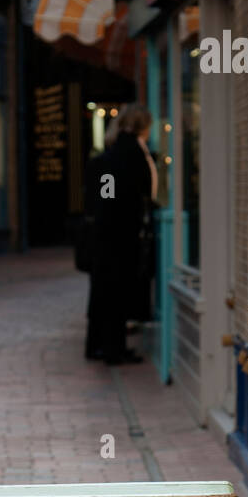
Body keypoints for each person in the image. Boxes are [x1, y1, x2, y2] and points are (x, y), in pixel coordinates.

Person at [85, 103, 156, 364]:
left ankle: (98, 345)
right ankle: (113, 349)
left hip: (104, 233)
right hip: (121, 233)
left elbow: (104, 196)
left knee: (102, 291)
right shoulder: (134, 153)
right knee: (117, 292)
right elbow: (142, 192)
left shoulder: (111, 153)